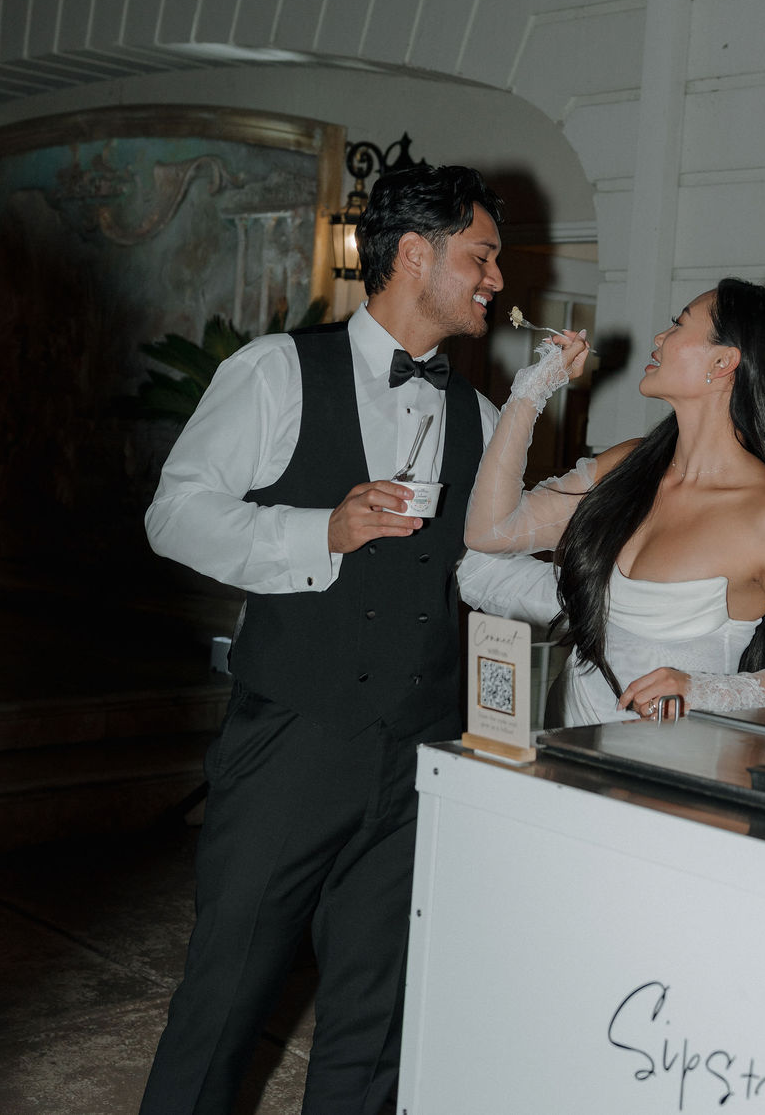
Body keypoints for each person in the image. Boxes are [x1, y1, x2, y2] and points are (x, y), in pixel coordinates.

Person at [139, 165, 506, 1115]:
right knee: (224, 1002)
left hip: (420, 750)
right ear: (415, 253)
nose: (497, 280)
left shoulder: (483, 417)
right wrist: (321, 532)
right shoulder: (276, 371)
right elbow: (175, 516)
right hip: (291, 742)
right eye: (482, 256)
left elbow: (484, 574)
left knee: (374, 1025)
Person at [463, 278, 765, 725]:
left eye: (678, 324)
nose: (659, 337)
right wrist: (531, 392)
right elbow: (490, 532)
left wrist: (698, 689)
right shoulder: (625, 467)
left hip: (672, 761)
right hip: (566, 745)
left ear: (724, 361)